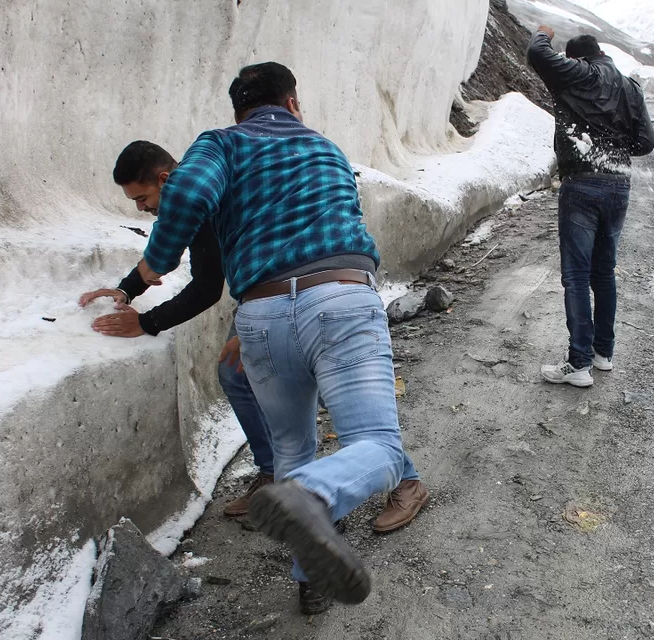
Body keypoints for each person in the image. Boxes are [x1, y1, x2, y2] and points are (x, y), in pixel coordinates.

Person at [133, 62, 428, 613]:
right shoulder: (325, 149)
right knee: (379, 447)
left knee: (293, 447)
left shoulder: (222, 144)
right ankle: (314, 495)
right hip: (341, 296)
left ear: (239, 112)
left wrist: (154, 266)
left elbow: (190, 189)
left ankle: (308, 578)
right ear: (292, 104)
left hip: (262, 314)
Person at [79, 141, 277, 516]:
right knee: (249, 375)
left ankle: (280, 476)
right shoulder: (204, 185)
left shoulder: (197, 197)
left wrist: (146, 323)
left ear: (165, 180)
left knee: (241, 374)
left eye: (142, 197)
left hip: (274, 287)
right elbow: (166, 252)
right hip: (276, 286)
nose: (140, 208)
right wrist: (125, 290)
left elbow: (205, 287)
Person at [527, 27, 654, 388]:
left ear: (579, 58)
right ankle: (603, 354)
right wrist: (613, 146)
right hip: (619, 184)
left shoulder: (580, 73)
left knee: (577, 275)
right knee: (604, 272)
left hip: (582, 182)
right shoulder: (630, 86)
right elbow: (646, 142)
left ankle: (578, 363)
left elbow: (538, 53)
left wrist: (542, 33)